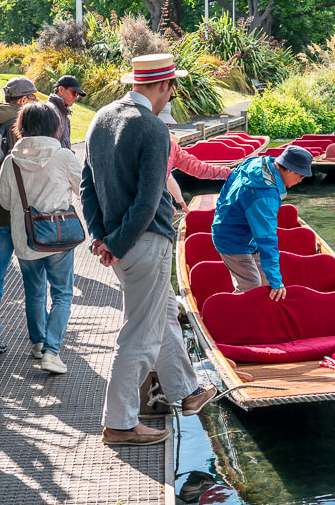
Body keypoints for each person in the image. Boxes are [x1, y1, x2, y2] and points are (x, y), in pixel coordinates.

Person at [81, 53, 216, 446]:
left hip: (119, 243)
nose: (173, 94)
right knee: (139, 335)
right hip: (145, 241)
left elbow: (88, 185)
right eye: (173, 86)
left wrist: (100, 238)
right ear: (164, 86)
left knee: (161, 315)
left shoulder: (99, 119)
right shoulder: (154, 129)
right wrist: (117, 243)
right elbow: (147, 200)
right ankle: (120, 423)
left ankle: (187, 392)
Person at [0, 103, 82, 374]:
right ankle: (52, 351)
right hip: (59, 236)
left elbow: (5, 201)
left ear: (22, 126)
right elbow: (82, 190)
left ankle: (38, 343)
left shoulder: (11, 161)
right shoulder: (64, 156)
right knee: (62, 294)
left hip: (26, 237)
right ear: (54, 126)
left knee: (33, 292)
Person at [0, 76, 38, 355]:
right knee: (34, 278)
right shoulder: (20, 126)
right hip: (19, 212)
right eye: (33, 98)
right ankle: (40, 340)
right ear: (23, 100)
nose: (35, 103)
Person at [211, 145, 314, 300]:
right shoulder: (265, 196)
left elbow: (228, 185)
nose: (301, 180)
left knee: (266, 284)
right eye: (301, 176)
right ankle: (233, 317)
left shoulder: (261, 162)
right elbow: (267, 240)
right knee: (251, 286)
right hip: (232, 239)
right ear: (290, 170)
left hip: (243, 233)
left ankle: (264, 316)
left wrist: (221, 211)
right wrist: (277, 282)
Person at [157, 104, 232, 213]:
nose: (166, 127)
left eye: (167, 125)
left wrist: (228, 172)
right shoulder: (141, 144)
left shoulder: (171, 146)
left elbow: (195, 168)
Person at [48, 75, 87, 150]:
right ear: (61, 89)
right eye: (74, 93)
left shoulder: (63, 113)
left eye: (77, 95)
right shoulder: (51, 112)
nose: (75, 97)